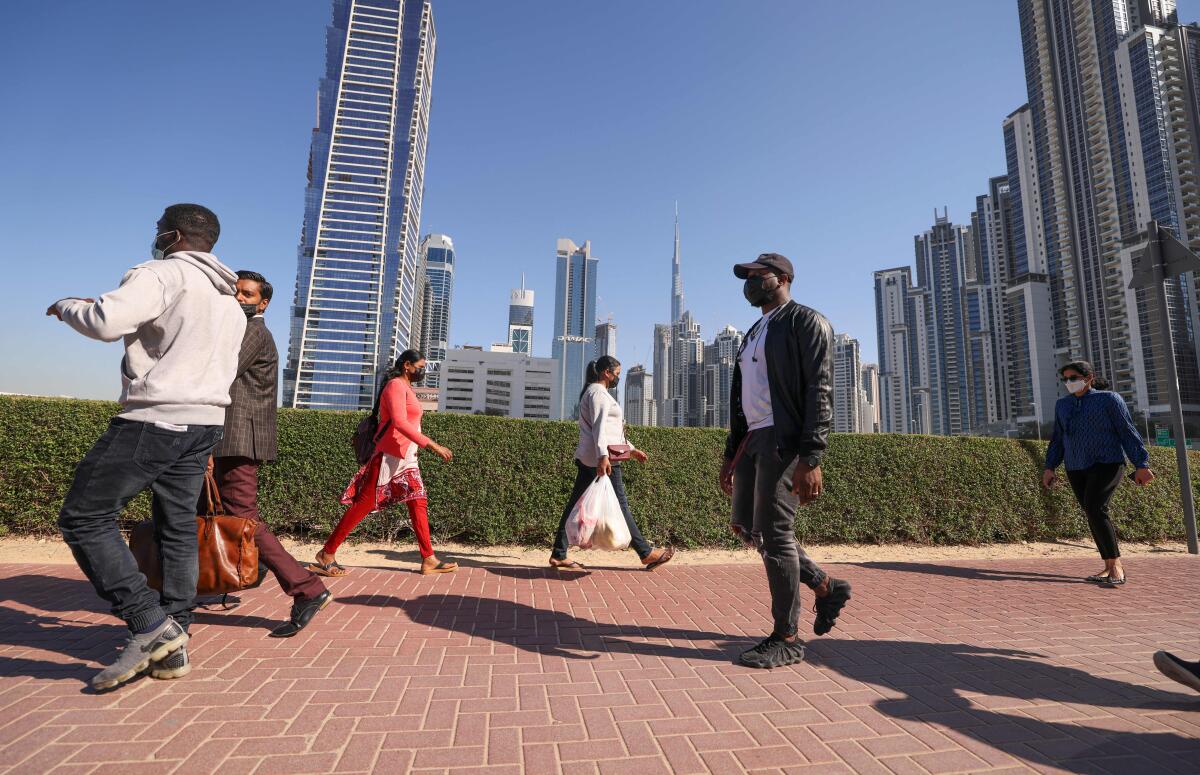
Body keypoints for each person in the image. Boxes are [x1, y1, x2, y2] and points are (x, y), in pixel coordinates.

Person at [47, 204, 246, 691]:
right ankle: (175, 632)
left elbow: (104, 321)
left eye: (158, 232)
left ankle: (149, 624)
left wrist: (66, 305)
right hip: (204, 423)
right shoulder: (229, 298)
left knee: (84, 517)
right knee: (176, 523)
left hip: (156, 418)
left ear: (172, 235)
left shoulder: (162, 273)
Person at [720, 253, 851, 669]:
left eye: (757, 276)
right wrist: (731, 453)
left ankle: (787, 638)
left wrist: (811, 455)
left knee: (775, 534)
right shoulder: (755, 330)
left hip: (785, 440)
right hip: (753, 439)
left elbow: (820, 390)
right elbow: (742, 399)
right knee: (752, 530)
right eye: (747, 278)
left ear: (782, 278)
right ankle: (826, 586)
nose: (750, 283)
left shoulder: (806, 322)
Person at [207, 270, 332, 639]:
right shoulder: (243, 330)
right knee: (221, 513)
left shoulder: (252, 332)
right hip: (234, 438)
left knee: (244, 519)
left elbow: (220, 374)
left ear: (262, 303)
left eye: (247, 295)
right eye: (235, 293)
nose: (239, 299)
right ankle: (250, 569)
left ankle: (307, 588)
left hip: (236, 440)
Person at [311, 350, 457, 576]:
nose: (423, 371)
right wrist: (433, 445)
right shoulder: (395, 386)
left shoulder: (408, 387)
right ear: (407, 365)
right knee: (364, 504)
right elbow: (399, 422)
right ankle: (326, 553)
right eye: (420, 366)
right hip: (389, 456)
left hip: (407, 458)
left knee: (418, 502)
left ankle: (428, 558)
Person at [550, 356, 675, 571]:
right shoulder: (598, 394)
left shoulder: (596, 393)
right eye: (616, 374)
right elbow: (599, 428)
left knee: (574, 506)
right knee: (621, 504)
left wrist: (632, 449)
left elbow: (611, 430)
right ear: (606, 373)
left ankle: (559, 554)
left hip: (596, 457)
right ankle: (646, 553)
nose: (618, 378)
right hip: (603, 459)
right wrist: (603, 457)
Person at [1043, 361, 1154, 585]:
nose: (1069, 383)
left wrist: (1141, 464)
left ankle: (1116, 566)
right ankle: (1107, 566)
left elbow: (1126, 431)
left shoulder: (1109, 399)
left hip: (1107, 463)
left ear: (1089, 378)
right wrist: (1050, 467)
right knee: (1092, 512)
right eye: (1065, 379)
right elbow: (1058, 438)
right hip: (1075, 467)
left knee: (1095, 508)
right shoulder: (1062, 405)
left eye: (1073, 378)